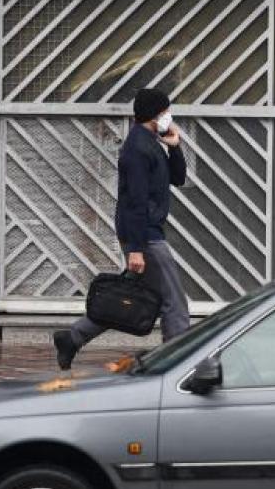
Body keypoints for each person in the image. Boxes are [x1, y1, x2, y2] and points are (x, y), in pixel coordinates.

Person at [54, 88, 191, 370]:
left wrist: (175, 146)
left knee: (130, 298)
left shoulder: (151, 143)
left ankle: (72, 338)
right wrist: (137, 250)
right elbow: (136, 202)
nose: (169, 115)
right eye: (166, 111)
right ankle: (180, 362)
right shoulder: (137, 149)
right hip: (145, 236)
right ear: (156, 114)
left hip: (144, 234)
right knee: (174, 303)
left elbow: (178, 178)